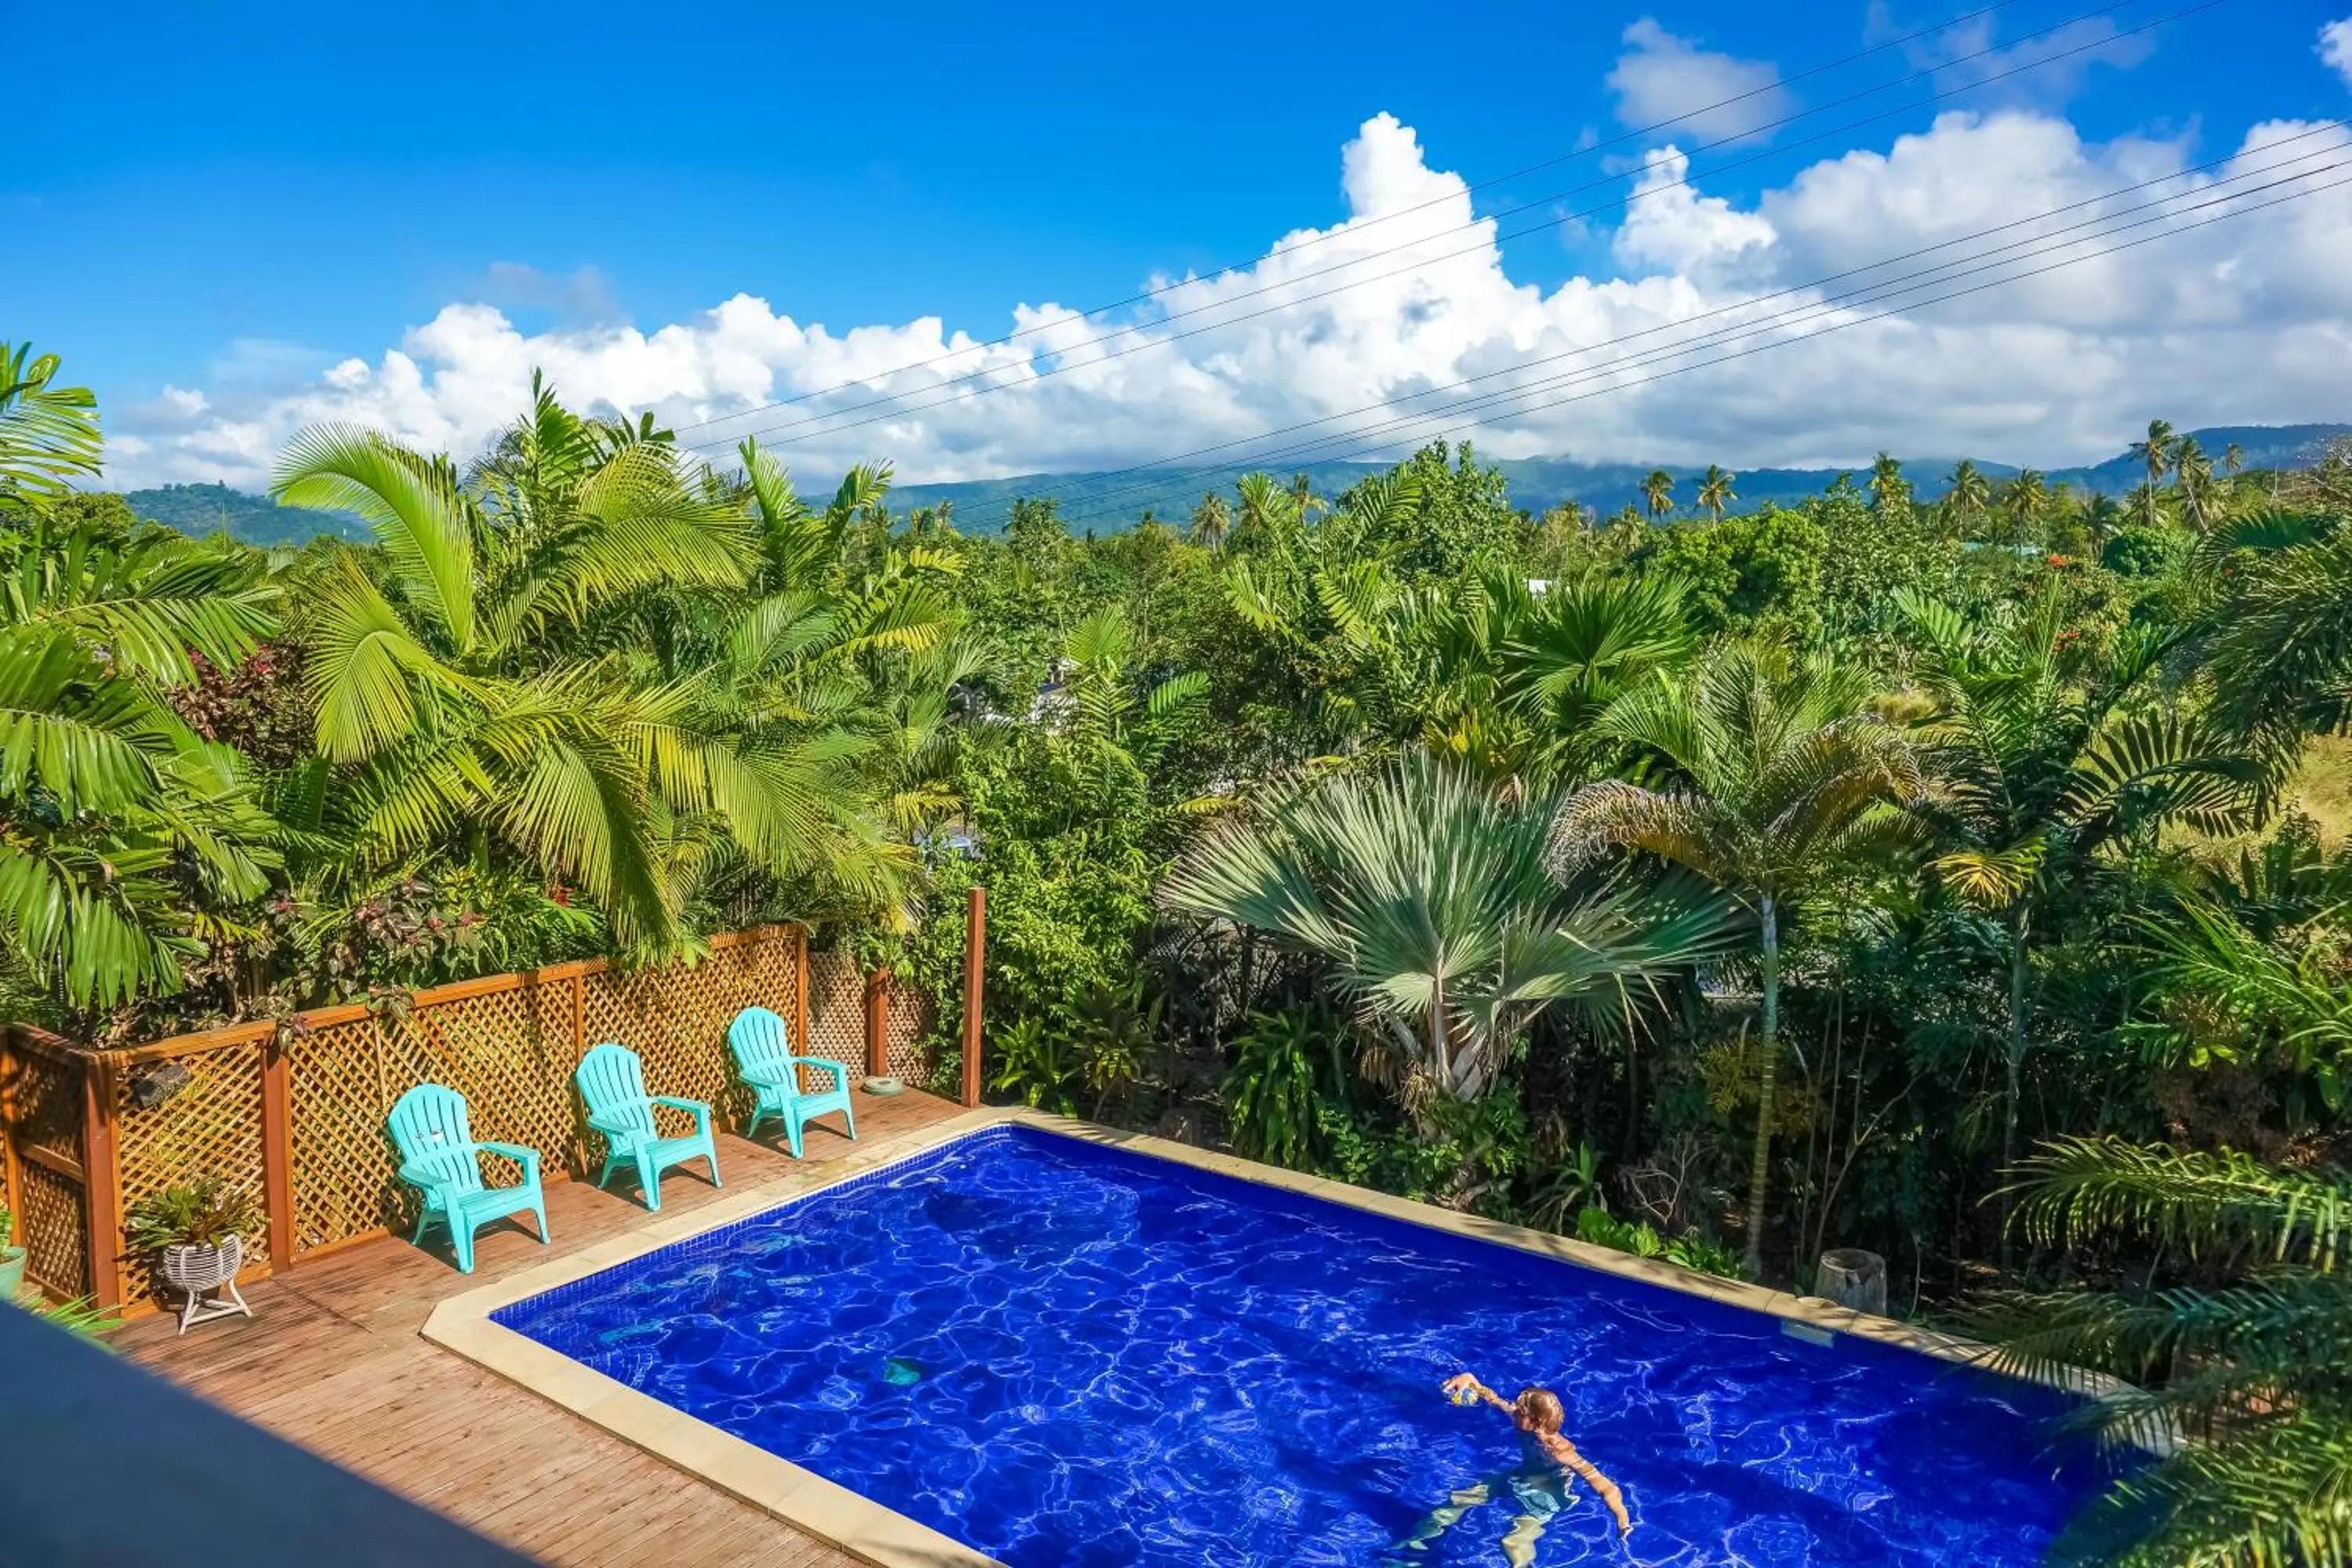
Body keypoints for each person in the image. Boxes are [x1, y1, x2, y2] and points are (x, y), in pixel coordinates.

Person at [1391, 1372, 1632, 1565]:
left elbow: (1603, 1485)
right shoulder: (1524, 1422)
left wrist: (1622, 1520)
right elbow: (1493, 1398)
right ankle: (1415, 1546)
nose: (1513, 1411)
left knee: (1512, 1543)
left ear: (1535, 1421)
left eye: (1520, 1410)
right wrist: (1469, 1379)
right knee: (1459, 1499)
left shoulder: (1561, 1451)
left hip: (1544, 1498)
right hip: (1517, 1478)